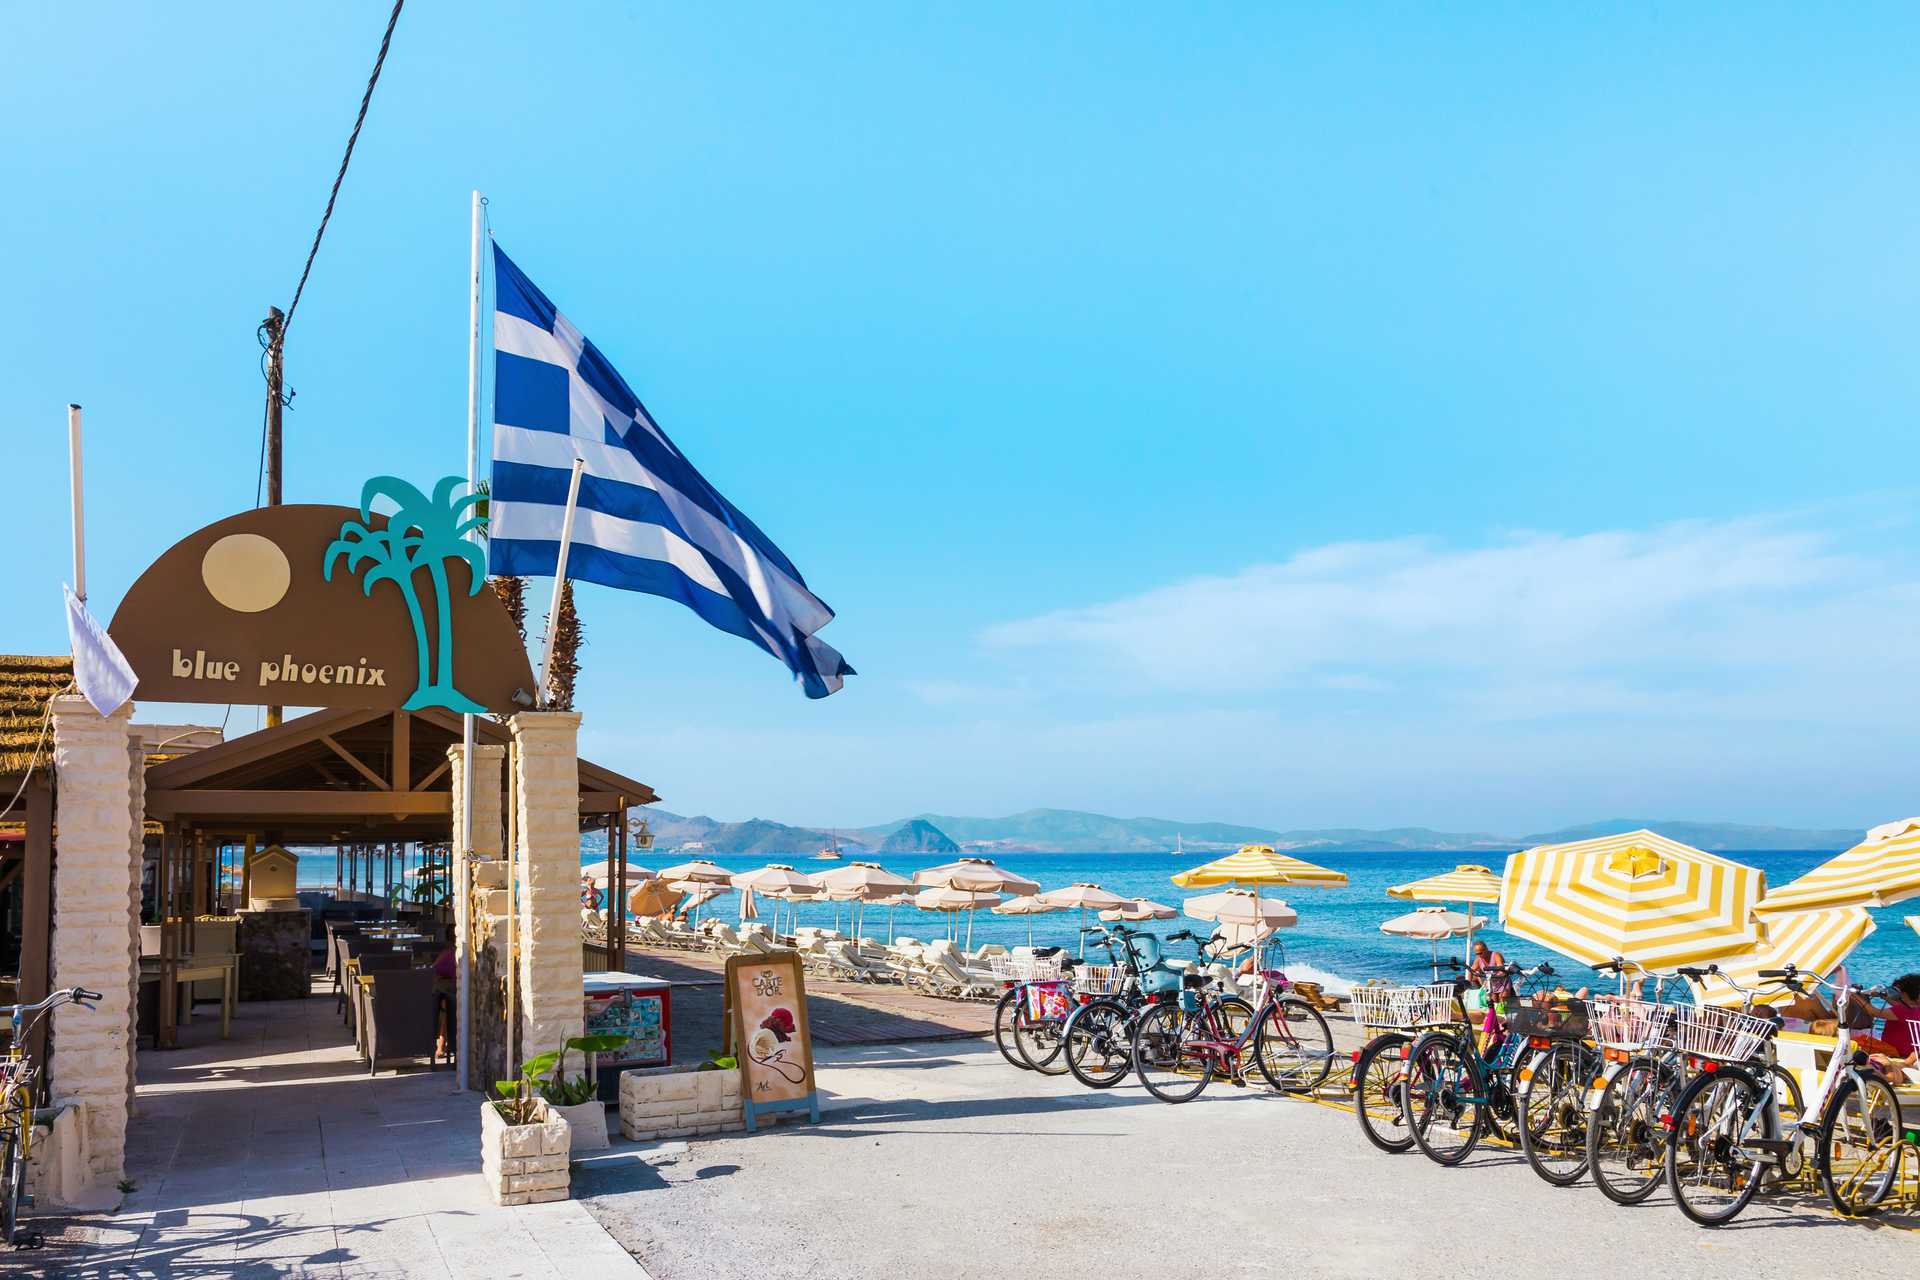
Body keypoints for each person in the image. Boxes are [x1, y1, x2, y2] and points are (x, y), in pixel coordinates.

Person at [432, 942, 456, 1061]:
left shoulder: (448, 955)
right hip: (449, 993)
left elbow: (432, 972)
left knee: (445, 1006)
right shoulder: (451, 956)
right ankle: (442, 1043)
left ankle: (442, 1043)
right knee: (446, 1005)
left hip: (448, 994)